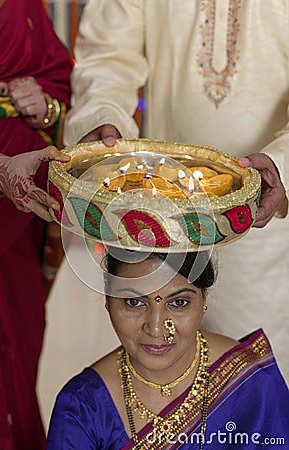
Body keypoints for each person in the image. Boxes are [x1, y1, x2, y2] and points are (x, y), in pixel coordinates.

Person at [62, 0, 289, 381]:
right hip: (160, 215)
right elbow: (107, 55)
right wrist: (102, 119)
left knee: (250, 385)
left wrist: (283, 165)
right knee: (157, 375)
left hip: (263, 222)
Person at [47, 249, 289, 449]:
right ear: (108, 302)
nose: (155, 328)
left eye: (179, 303)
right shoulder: (82, 406)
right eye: (134, 302)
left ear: (204, 300)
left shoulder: (250, 382)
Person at [0, 1, 72, 449]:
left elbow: (60, 79)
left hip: (15, 219)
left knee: (18, 341)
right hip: (4, 185)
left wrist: (46, 110)